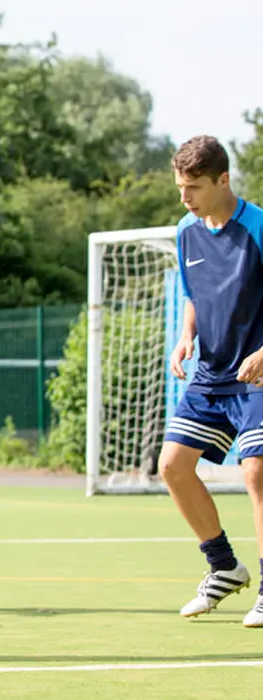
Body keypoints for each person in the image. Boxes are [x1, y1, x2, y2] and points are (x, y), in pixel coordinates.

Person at [159, 135, 263, 626]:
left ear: (224, 180)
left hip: (259, 375)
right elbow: (194, 294)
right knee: (173, 466)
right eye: (181, 187)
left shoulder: (259, 226)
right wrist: (185, 338)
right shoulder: (186, 231)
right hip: (211, 372)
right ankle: (224, 568)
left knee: (257, 472)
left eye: (194, 188)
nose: (185, 199)